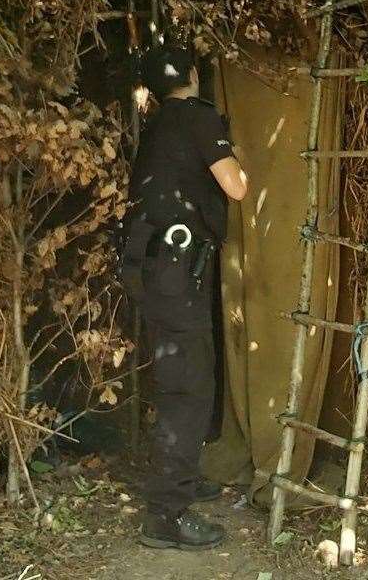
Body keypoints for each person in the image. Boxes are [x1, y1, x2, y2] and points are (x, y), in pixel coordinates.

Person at [121, 43, 247, 550]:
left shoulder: (156, 125)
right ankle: (165, 517)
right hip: (174, 270)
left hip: (153, 267)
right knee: (188, 387)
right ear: (195, 75)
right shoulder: (197, 118)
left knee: (184, 376)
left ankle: (184, 478)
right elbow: (235, 187)